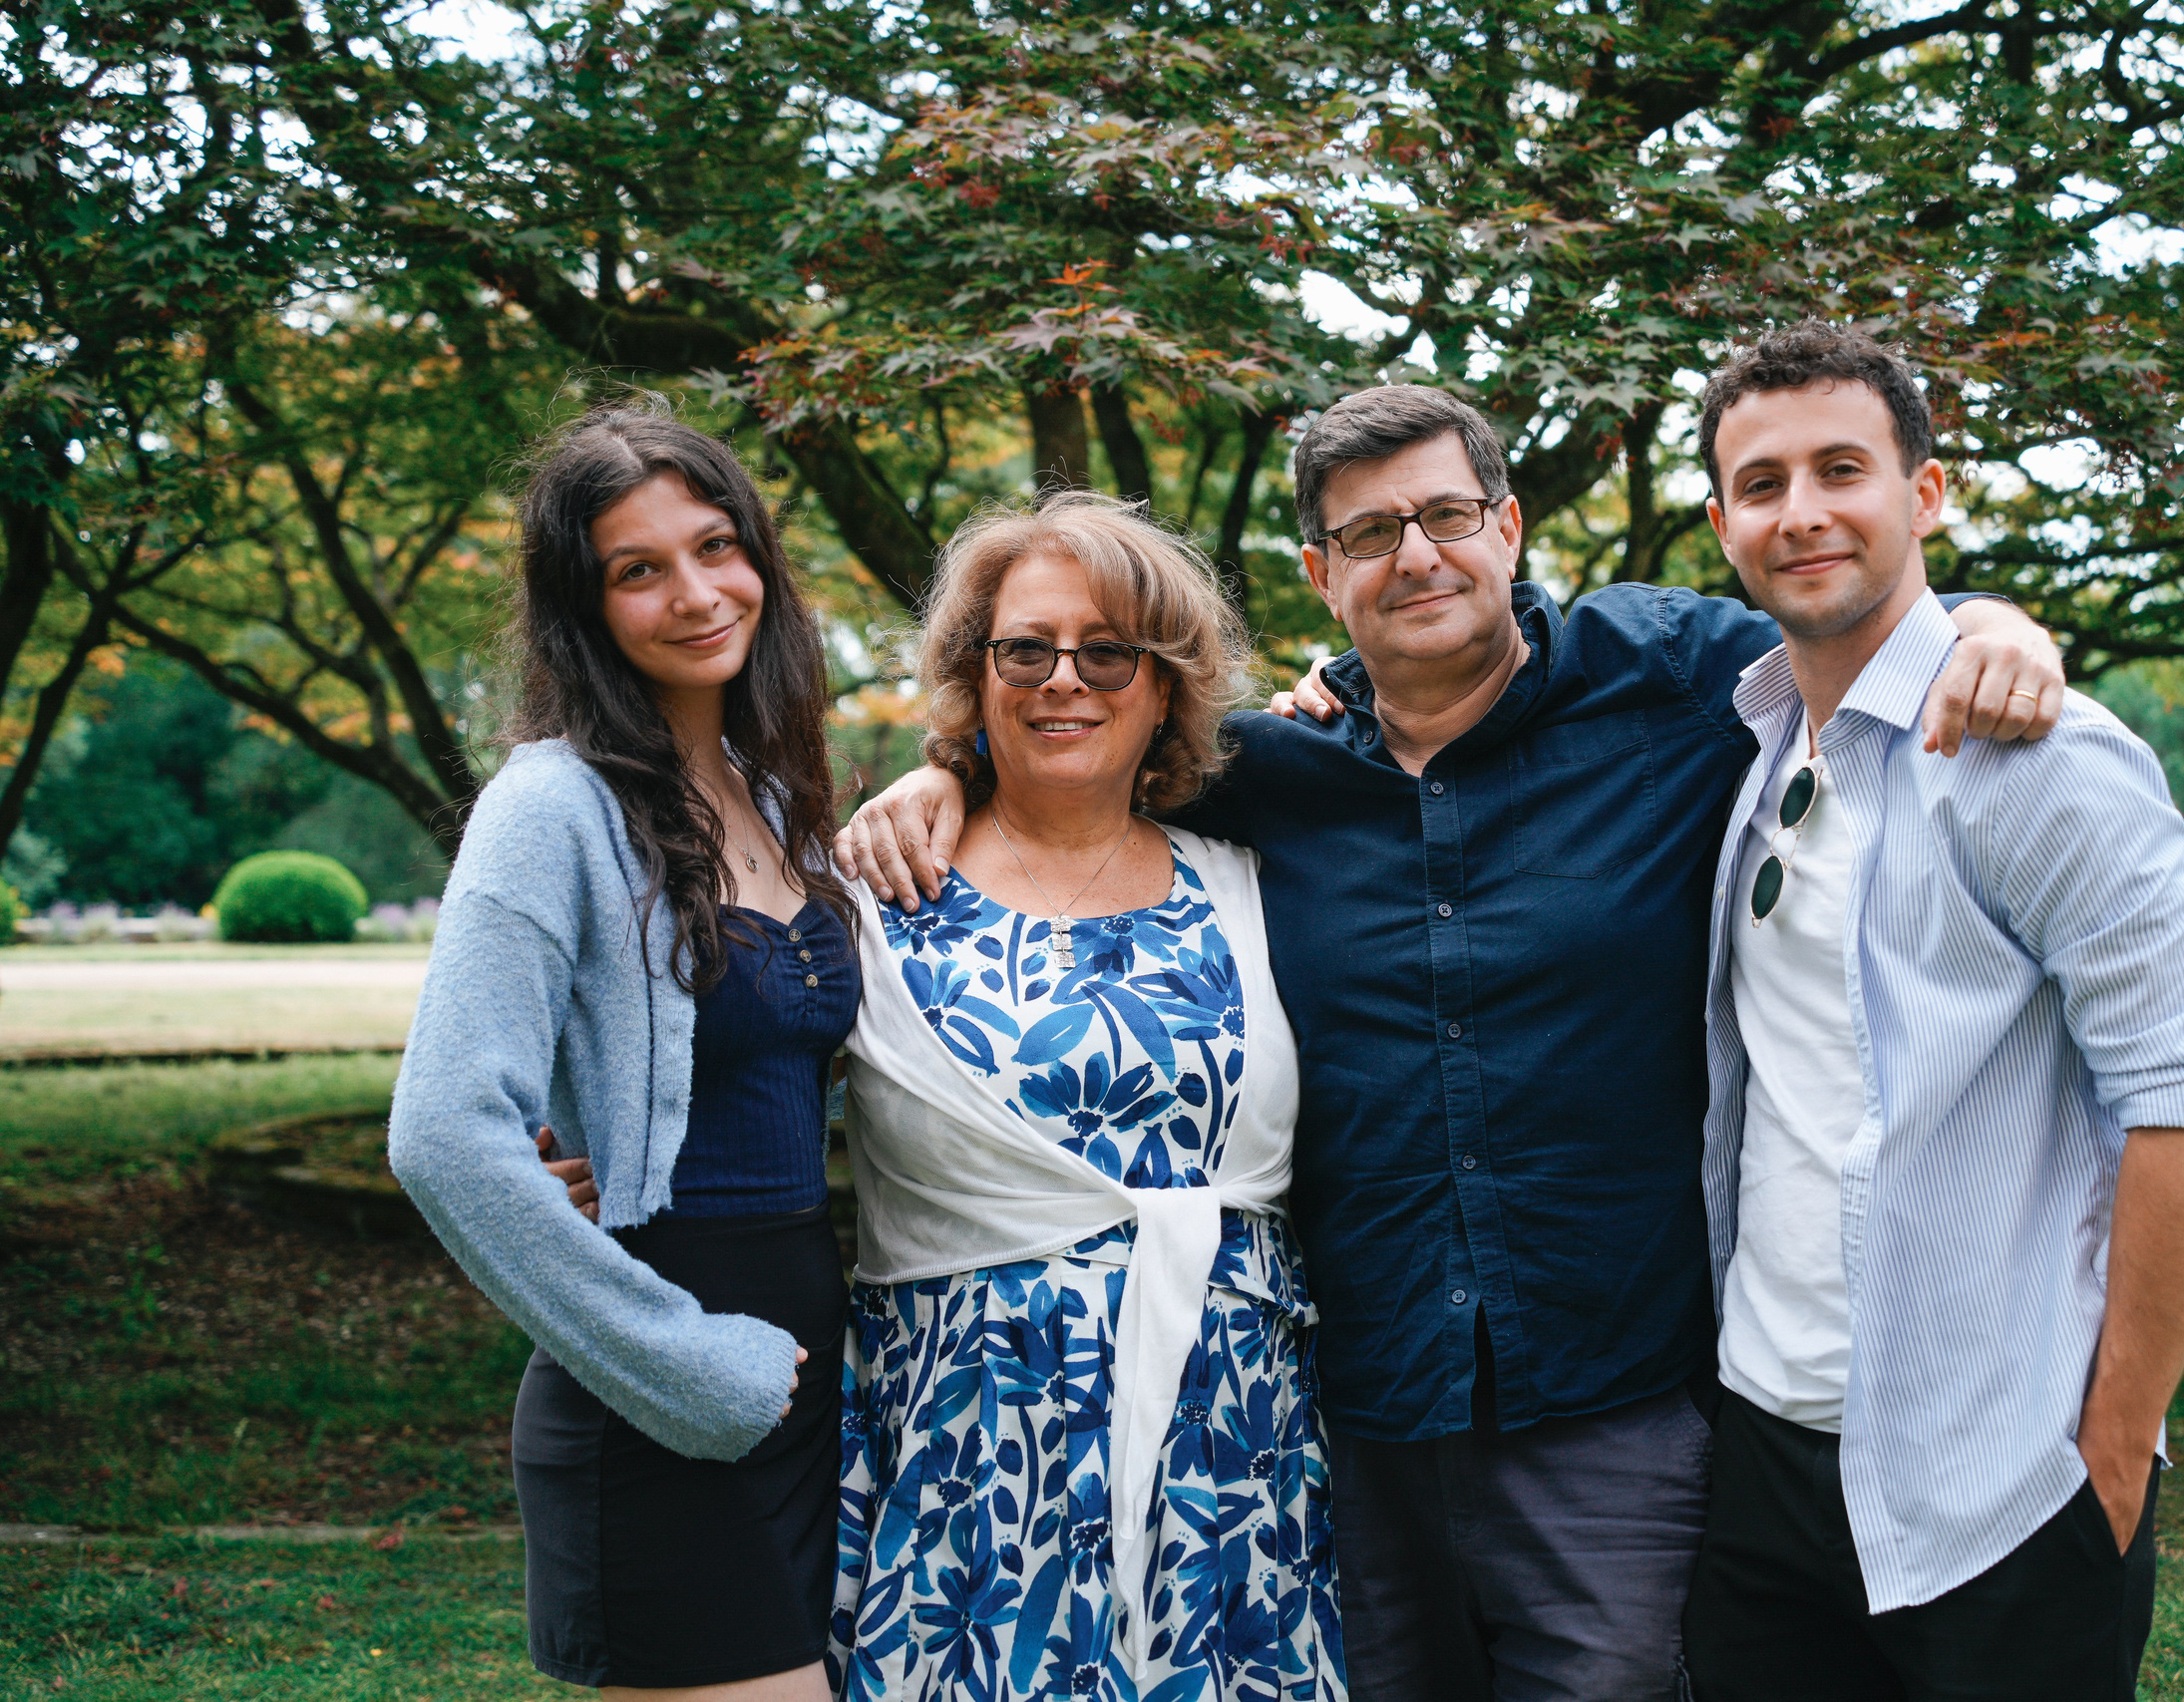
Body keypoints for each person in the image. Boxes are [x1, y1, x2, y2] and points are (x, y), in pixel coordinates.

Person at [839, 385, 2068, 1700]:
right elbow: (1069, 746)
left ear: (1510, 524)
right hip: (1355, 1410)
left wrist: (1991, 622)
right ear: (1321, 574)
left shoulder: (1672, 682)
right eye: (1370, 534)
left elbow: (1853, 621)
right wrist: (945, 769)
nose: (1416, 554)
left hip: (1611, 1393)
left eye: (1444, 514)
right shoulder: (1267, 778)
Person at [1678, 320, 2184, 1700]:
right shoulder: (1754, 740)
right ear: (1721, 522)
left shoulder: (2042, 759)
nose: (1802, 511)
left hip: (2005, 1475)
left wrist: (2113, 1448)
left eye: (1842, 468)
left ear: (1926, 493)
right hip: (1766, 1449)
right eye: (1762, 483)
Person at [828, 493, 1344, 1701]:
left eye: (1108, 651)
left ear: (1163, 686)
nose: (1066, 678)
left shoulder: (1263, 885)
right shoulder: (872, 891)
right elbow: (740, 1100)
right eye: (1026, 648)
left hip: (1230, 1462)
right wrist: (590, 1163)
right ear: (976, 672)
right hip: (967, 1465)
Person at [389, 400, 858, 1700]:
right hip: (666, 1394)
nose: (696, 591)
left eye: (716, 545)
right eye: (636, 569)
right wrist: (690, 1363)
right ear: (581, 608)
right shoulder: (550, 804)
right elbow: (442, 1130)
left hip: (813, 1389)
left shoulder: (782, 797)